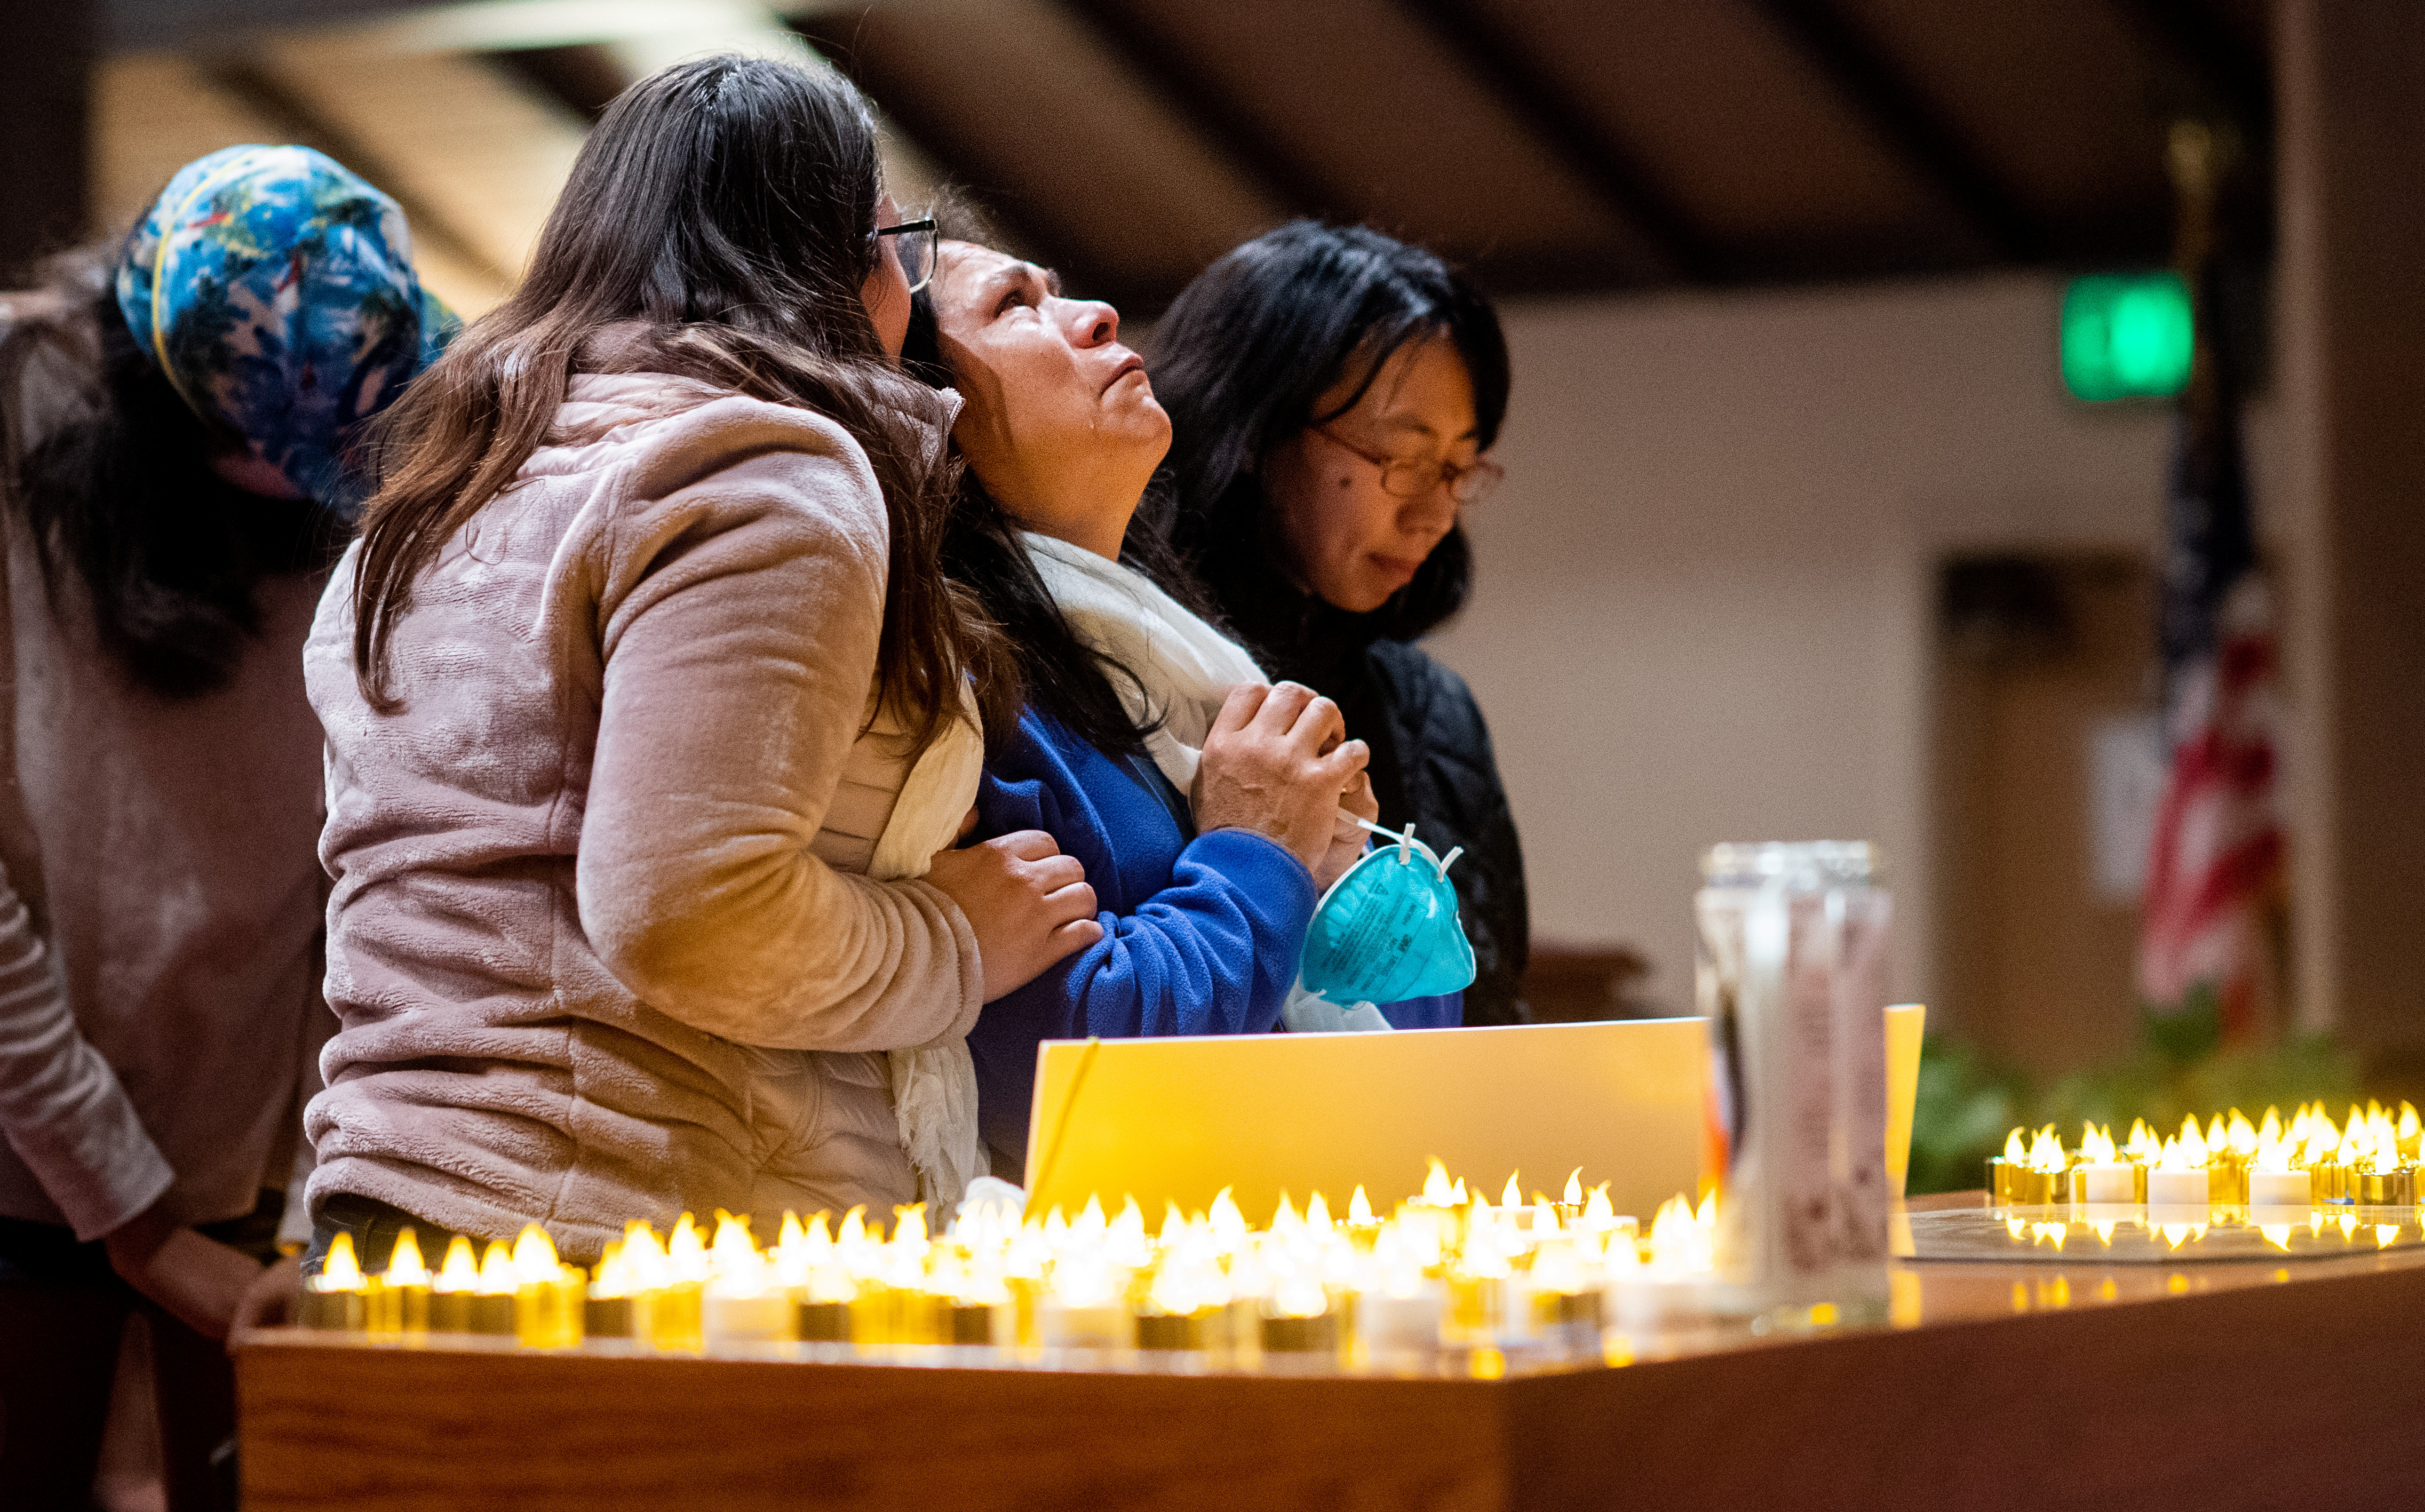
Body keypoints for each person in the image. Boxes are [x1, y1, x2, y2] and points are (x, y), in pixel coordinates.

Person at [300, 57, 1096, 1277]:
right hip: (620, 1228)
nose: (910, 298)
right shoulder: (756, 472)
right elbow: (689, 914)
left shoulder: (443, 494)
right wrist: (954, 946)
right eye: (897, 247)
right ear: (827, 261)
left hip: (398, 1208)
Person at [0, 146, 454, 1510]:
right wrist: (129, 1216)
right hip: (22, 1137)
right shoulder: (18, 404)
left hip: (265, 1159)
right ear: (161, 405)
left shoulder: (412, 429)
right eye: (274, 465)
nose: (320, 497)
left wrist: (324, 1189)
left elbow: (381, 867)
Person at [906, 240, 1460, 1176]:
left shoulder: (1181, 660)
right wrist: (1259, 855)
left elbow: (1427, 1051)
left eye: (1059, 285)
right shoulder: (952, 690)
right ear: (927, 409)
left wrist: (1338, 898)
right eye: (1013, 306)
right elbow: (1060, 1087)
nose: (1095, 313)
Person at [1152, 222, 1532, 1026]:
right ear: (1254, 430)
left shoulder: (1431, 709)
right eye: (1402, 457)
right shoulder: (1145, 665)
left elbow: (1488, 1012)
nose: (1433, 513)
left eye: (1458, 468)